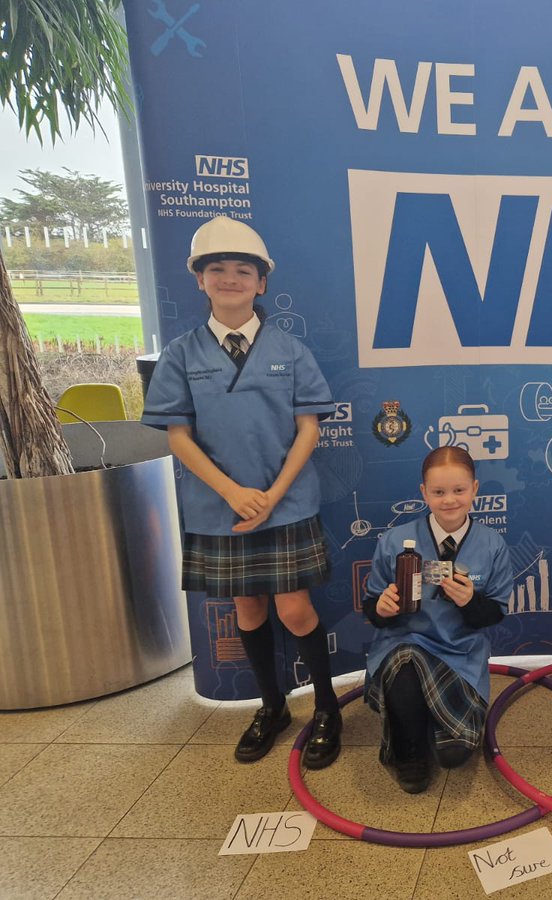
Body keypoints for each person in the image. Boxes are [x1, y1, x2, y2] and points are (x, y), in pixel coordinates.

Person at [142, 215, 342, 768]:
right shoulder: (181, 354)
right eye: (217, 269)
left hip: (287, 504)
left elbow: (309, 428)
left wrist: (273, 494)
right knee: (247, 607)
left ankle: (327, 708)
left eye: (243, 270)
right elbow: (177, 436)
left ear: (261, 282)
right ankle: (272, 706)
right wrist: (233, 492)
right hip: (219, 509)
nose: (230, 278)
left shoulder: (292, 350)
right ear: (199, 279)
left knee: (295, 609)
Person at [361, 447, 511, 793]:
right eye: (439, 492)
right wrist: (381, 609)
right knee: (407, 662)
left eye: (459, 491)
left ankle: (439, 722)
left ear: (475, 489)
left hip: (460, 653)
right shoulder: (394, 541)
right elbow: (372, 605)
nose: (449, 501)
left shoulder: (492, 544)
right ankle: (408, 749)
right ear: (423, 492)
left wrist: (471, 602)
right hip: (403, 645)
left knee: (454, 757)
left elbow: (495, 613)